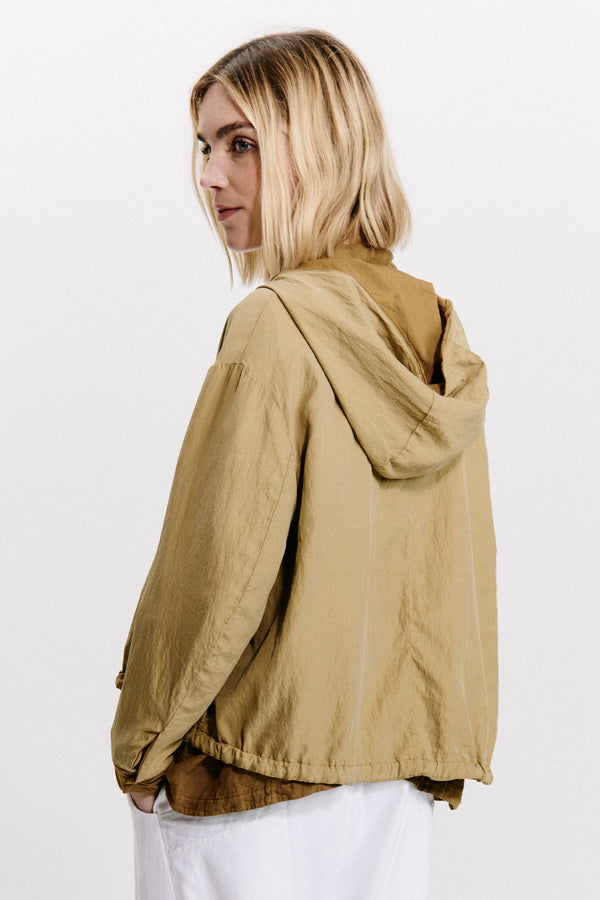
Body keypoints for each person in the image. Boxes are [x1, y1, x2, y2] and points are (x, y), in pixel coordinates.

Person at [111, 29, 497, 900]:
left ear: (316, 150)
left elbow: (215, 575)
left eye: (240, 145)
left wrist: (141, 745)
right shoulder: (434, 331)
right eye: (205, 148)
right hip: (391, 786)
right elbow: (456, 572)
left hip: (247, 783)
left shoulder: (275, 327)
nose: (211, 176)